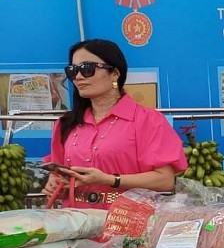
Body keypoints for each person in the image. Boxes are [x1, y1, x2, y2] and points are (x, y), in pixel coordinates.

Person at [43, 39, 187, 209]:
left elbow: (165, 180)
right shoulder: (67, 123)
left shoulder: (147, 120)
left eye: (87, 69)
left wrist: (109, 180)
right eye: (73, 71)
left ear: (115, 73)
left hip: (128, 224)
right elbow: (60, 173)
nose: (79, 77)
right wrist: (56, 184)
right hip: (77, 224)